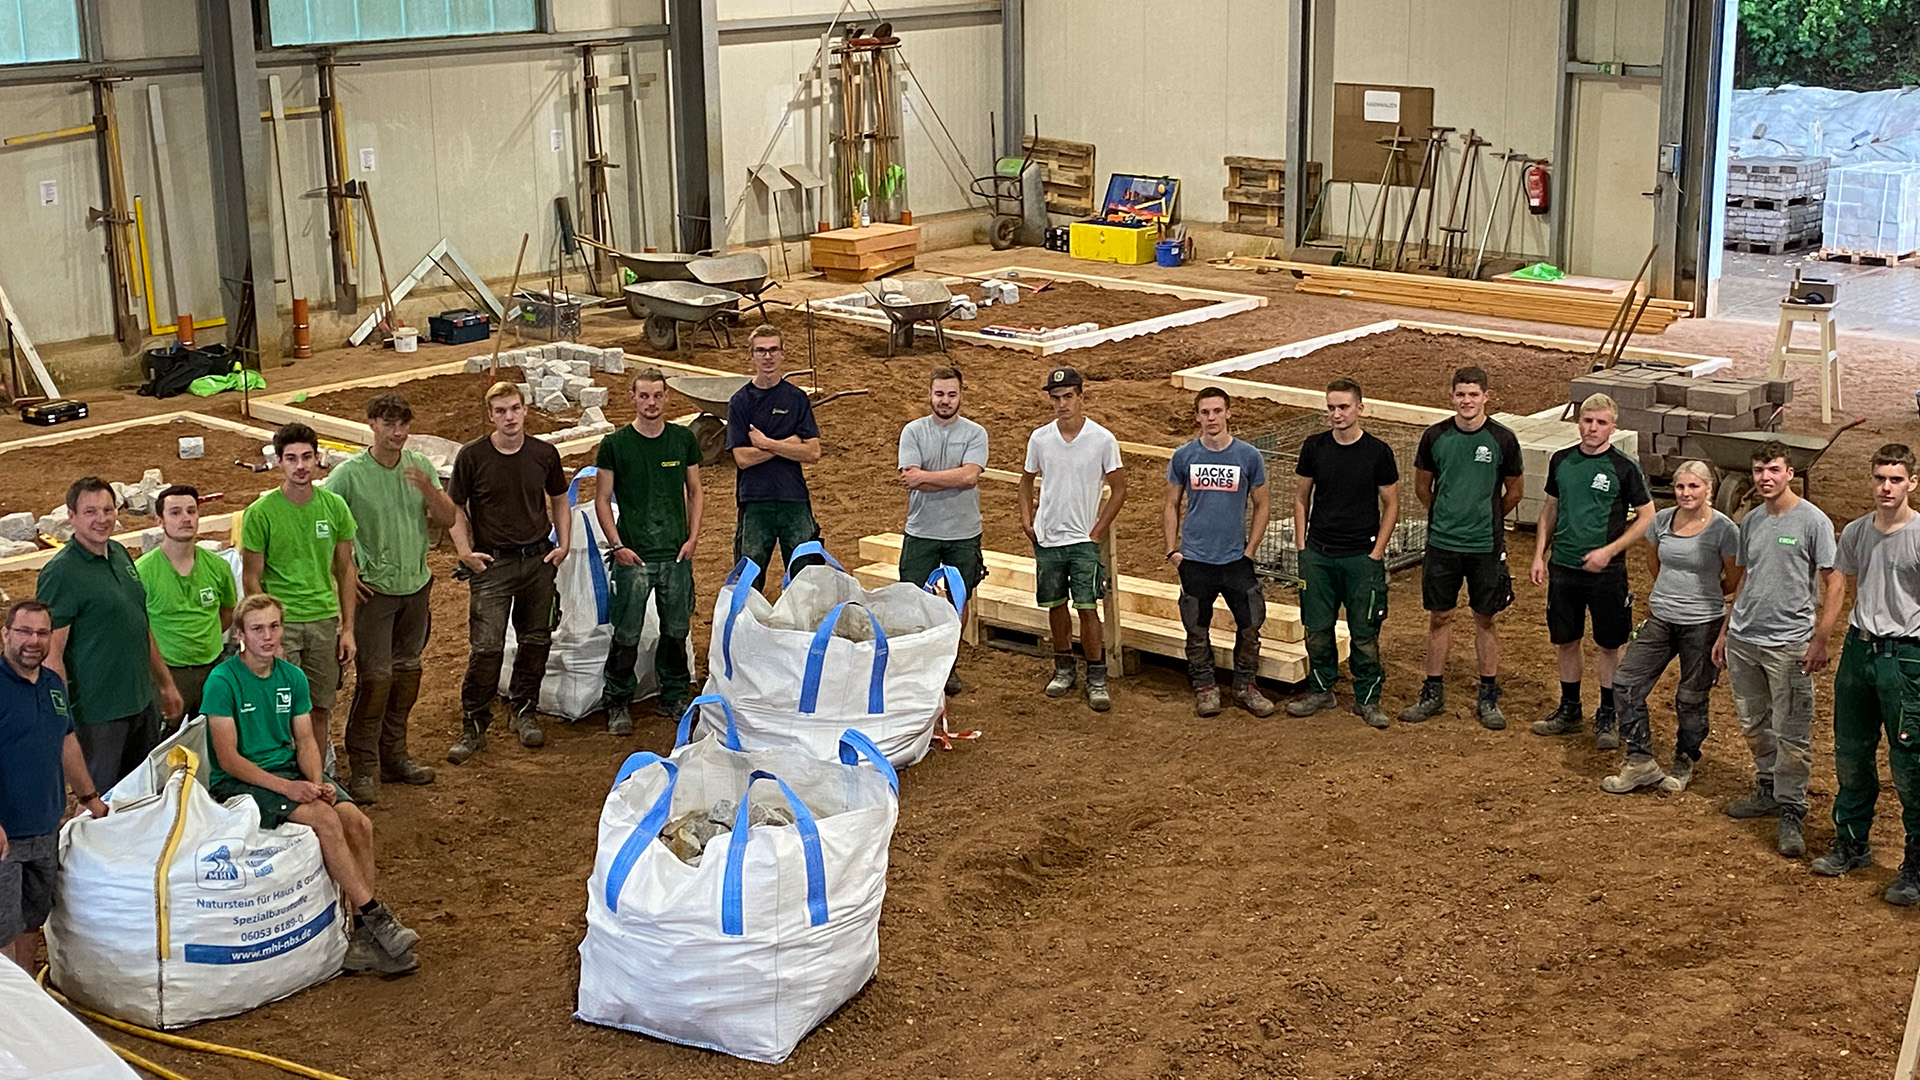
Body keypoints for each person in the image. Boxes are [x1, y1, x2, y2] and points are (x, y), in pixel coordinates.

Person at [204, 594, 419, 975]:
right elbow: (228, 760)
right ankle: (375, 916)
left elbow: (305, 740)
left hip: (288, 771)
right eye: (257, 629)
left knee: (360, 824)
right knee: (326, 819)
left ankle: (363, 938)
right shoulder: (222, 681)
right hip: (242, 783)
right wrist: (290, 789)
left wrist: (316, 781)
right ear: (239, 634)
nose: (267, 636)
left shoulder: (292, 677)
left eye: (274, 626)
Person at [1714, 440, 1844, 859]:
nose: (1765, 478)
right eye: (1758, 471)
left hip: (1789, 644)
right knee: (1754, 722)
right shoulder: (1750, 521)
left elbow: (1834, 582)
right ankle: (1767, 788)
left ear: (1789, 473)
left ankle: (1792, 808)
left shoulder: (1813, 522)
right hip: (1746, 639)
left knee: (1792, 731)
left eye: (1772, 469)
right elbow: (1746, 578)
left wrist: (1820, 638)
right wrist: (1727, 628)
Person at [325, 394, 455, 802]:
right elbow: (325, 524)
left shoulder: (420, 467)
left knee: (407, 672)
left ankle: (394, 754)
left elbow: (448, 519)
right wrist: (346, 572)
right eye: (388, 423)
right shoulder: (349, 476)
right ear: (371, 425)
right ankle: (363, 764)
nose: (396, 432)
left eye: (403, 424)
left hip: (415, 585)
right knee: (376, 677)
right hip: (374, 594)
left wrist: (428, 490)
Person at [1812, 444, 1920, 903]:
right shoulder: (1856, 532)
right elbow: (1843, 581)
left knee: (1910, 761)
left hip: (1908, 655)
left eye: (1896, 479)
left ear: (1912, 482)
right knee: (1851, 752)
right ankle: (1852, 841)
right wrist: (1824, 636)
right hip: (1859, 650)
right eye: (1880, 478)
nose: (1886, 487)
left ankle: (1916, 862)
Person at [1599, 460, 1742, 795]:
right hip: (1662, 617)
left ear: (1709, 489)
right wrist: (1670, 593)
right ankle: (1640, 761)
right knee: (1626, 683)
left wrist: (1703, 598)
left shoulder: (1724, 530)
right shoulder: (1662, 520)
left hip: (1703, 623)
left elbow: (1733, 577)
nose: (1685, 493)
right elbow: (1654, 560)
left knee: (1691, 697)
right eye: (1680, 487)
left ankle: (1685, 758)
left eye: (1693, 486)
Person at [447, 381, 570, 762]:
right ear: (490, 416)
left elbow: (560, 499)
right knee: (486, 648)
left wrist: (562, 543)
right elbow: (454, 508)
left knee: (536, 640)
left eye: (514, 408)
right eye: (500, 411)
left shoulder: (543, 454)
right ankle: (474, 723)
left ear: (525, 410)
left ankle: (523, 711)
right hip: (492, 565)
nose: (509, 417)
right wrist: (465, 551)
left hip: (537, 562)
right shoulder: (472, 457)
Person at [37, 476, 184, 794]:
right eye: (90, 512)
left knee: (142, 795)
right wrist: (62, 720)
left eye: (107, 509)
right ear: (71, 516)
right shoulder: (61, 573)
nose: (101, 519)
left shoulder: (119, 554)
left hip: (140, 704)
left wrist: (165, 683)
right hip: (98, 716)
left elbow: (140, 626)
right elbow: (51, 655)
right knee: (102, 803)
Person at [1399, 367, 1524, 729]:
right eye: (1460, 395)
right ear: (1451, 397)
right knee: (1440, 616)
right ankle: (1433, 692)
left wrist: (1487, 518)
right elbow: (1424, 487)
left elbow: (1514, 491)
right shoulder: (1435, 436)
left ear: (1486, 396)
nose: (1466, 401)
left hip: (1485, 545)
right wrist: (1447, 515)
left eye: (1473, 395)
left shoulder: (1503, 439)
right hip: (1442, 544)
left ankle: (1488, 694)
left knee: (1485, 618)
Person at [1528, 394, 1655, 745]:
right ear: (1578, 422)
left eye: (1601, 422)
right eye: (1587, 421)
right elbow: (1549, 510)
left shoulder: (1624, 468)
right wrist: (1539, 554)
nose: (1593, 428)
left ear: (1613, 426)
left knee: (1610, 645)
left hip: (1607, 574)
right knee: (1566, 640)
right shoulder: (1561, 461)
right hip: (1564, 568)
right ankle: (1569, 709)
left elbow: (1648, 516)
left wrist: (1609, 551)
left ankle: (1607, 714)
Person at [242, 424, 359, 775]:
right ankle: (284, 775)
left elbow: (345, 569)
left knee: (320, 706)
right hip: (284, 625)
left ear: (318, 458)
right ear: (279, 462)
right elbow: (252, 577)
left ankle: (317, 773)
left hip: (323, 621)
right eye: (291, 458)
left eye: (307, 457)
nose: (300, 466)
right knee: (282, 707)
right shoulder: (261, 513)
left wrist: (348, 628)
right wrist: (268, 633)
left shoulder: (334, 507)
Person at [0, 600, 109, 971]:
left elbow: (66, 741)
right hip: (4, 834)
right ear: (5, 635)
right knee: (1, 926)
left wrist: (90, 797)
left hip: (44, 826)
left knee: (32, 916)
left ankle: (28, 991)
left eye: (42, 633)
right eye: (24, 632)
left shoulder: (52, 684)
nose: (33, 641)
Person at [594, 367, 703, 733]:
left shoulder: (682, 440)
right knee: (627, 631)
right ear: (632, 397)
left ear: (666, 397)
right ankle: (618, 701)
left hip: (674, 555)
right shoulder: (615, 445)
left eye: (657, 395)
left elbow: (696, 490)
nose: (651, 403)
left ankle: (673, 696)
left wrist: (692, 538)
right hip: (634, 557)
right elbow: (602, 498)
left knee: (676, 628)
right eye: (644, 396)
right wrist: (618, 546)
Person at [1286, 379, 1399, 728]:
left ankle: (1368, 698)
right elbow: (1302, 496)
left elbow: (1391, 504)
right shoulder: (1314, 447)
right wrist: (1303, 546)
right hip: (1318, 555)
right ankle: (1321, 690)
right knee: (1316, 629)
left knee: (1364, 632)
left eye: (1344, 407)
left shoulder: (1378, 452)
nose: (1337, 414)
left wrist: (1377, 552)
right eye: (1332, 407)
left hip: (1360, 558)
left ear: (1359, 408)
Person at [1020, 366, 1127, 711]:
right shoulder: (1040, 438)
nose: (1062, 404)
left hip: (1082, 537)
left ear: (1081, 397)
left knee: (1087, 606)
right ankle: (1063, 666)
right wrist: (1027, 519)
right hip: (1048, 536)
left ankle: (1097, 675)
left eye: (1068, 397)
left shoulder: (1102, 440)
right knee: (1055, 604)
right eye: (1056, 398)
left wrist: (1097, 530)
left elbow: (1119, 488)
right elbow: (1025, 481)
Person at [1164, 387, 1274, 718]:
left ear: (1228, 413)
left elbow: (1262, 503)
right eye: (1204, 412)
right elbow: (1170, 503)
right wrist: (1172, 550)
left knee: (1251, 622)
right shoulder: (1184, 456)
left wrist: (1250, 550)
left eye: (1217, 411)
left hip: (1235, 559)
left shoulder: (1249, 456)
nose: (1211, 418)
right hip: (1195, 559)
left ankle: (1245, 686)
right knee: (1196, 627)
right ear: (1197, 416)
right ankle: (1205, 687)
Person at [897, 365, 988, 696]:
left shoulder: (976, 433)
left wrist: (926, 478)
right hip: (921, 531)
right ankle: (914, 665)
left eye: (951, 394)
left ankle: (947, 666)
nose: (945, 400)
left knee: (957, 602)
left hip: (963, 533)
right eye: (940, 394)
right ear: (929, 395)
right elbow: (911, 476)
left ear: (961, 395)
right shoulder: (913, 432)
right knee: (912, 599)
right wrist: (953, 476)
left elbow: (969, 478)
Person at [727, 325, 822, 589]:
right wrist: (790, 443)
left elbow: (813, 452)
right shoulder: (740, 402)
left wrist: (767, 443)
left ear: (783, 354)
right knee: (748, 578)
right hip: (755, 501)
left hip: (794, 498)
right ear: (751, 355)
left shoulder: (796, 398)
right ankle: (746, 628)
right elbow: (743, 458)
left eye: (773, 350)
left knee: (806, 575)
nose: (767, 356)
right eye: (761, 351)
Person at [135, 485, 236, 721]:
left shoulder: (218, 568)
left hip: (212, 670)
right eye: (176, 512)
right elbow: (139, 628)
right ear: (159, 520)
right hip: (168, 675)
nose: (186, 519)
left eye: (191, 511)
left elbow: (227, 612)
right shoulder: (143, 572)